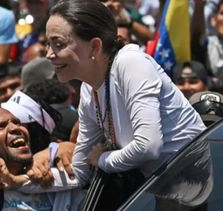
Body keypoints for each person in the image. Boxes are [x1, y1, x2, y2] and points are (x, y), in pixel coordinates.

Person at [40, 0, 206, 209]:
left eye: (59, 44)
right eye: (48, 44)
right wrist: (18, 179)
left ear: (94, 46)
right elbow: (80, 171)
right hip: (160, 193)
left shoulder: (131, 63)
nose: (49, 54)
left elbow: (148, 147)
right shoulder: (87, 90)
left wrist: (101, 159)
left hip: (198, 191)